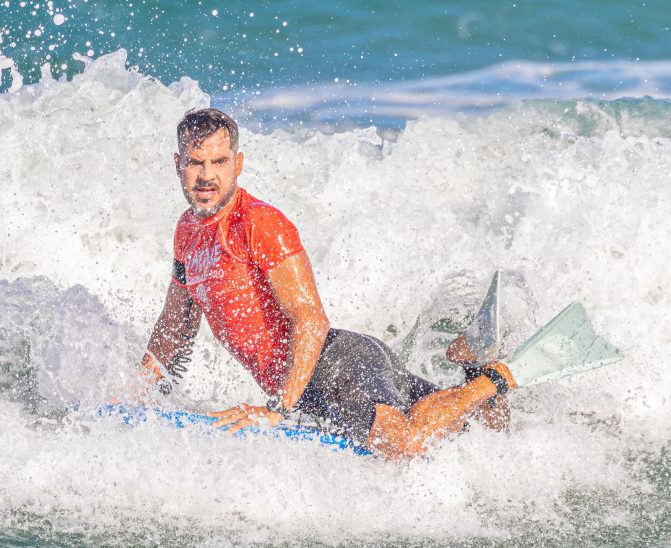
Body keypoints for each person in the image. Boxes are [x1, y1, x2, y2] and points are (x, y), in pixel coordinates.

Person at [139, 108, 516, 459]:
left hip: (335, 365)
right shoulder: (187, 232)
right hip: (312, 384)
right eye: (195, 163)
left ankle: (496, 379)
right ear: (178, 165)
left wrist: (278, 410)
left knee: (401, 444)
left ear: (238, 163)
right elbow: (175, 325)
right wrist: (139, 393)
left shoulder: (258, 223)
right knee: (477, 435)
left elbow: (309, 318)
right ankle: (472, 366)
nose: (207, 176)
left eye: (219, 162)